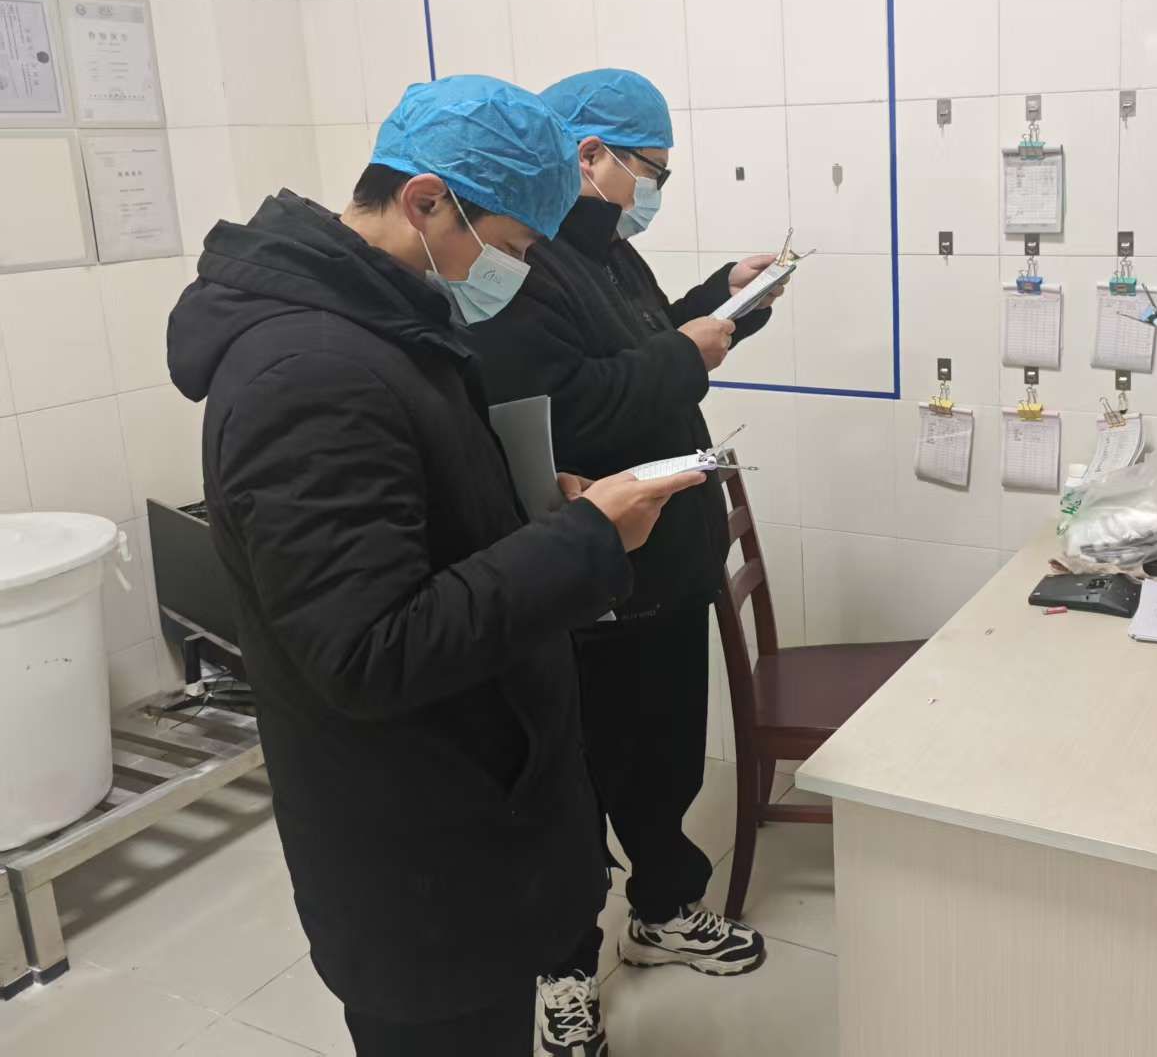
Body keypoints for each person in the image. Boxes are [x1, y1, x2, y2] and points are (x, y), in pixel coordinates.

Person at [166, 75, 704, 1057]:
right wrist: (587, 541)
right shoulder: (308, 376)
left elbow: (419, 517)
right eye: (511, 248)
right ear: (425, 202)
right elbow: (368, 649)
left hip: (471, 814)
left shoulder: (384, 323)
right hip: (414, 860)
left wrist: (531, 501)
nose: (516, 275)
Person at [468, 68, 779, 1056]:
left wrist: (722, 301)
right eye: (650, 169)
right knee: (576, 787)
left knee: (662, 756)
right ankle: (564, 968)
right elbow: (568, 407)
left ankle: (663, 909)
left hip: (666, 562)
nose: (655, 190)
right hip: (593, 570)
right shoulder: (520, 263)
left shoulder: (607, 252)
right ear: (588, 153)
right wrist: (686, 355)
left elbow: (638, 346)